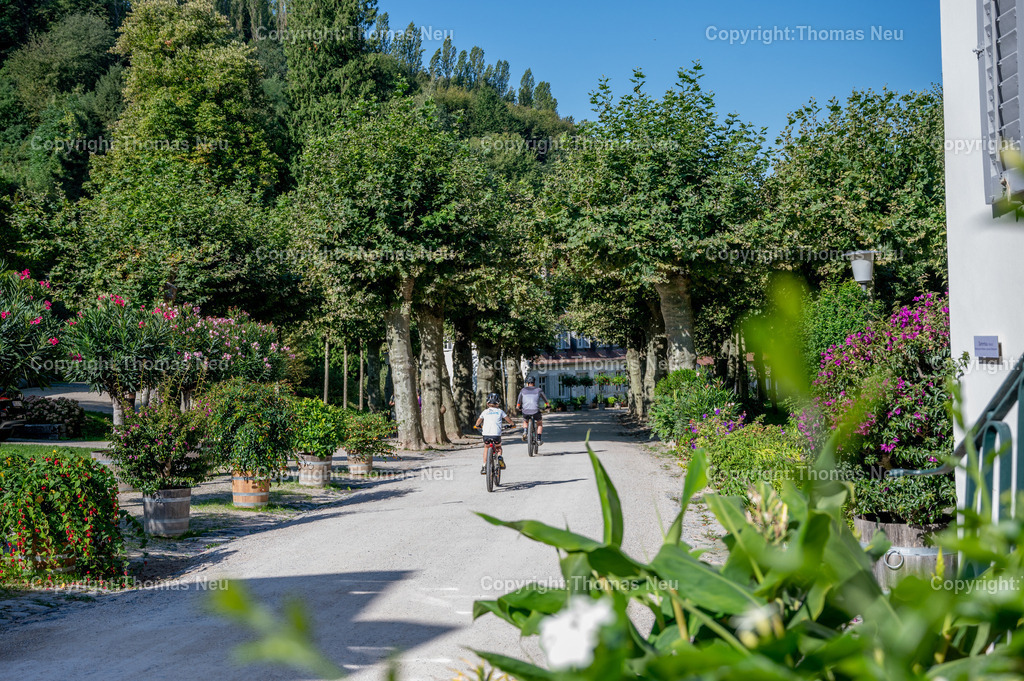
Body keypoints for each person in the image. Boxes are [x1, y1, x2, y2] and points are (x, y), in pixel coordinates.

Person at [475, 392, 514, 475]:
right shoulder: (500, 411)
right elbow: (508, 420)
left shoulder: (485, 412)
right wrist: (512, 424)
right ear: (498, 403)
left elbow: (478, 421)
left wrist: (477, 425)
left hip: (486, 435)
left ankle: (484, 466)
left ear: (487, 403)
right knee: (498, 447)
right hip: (496, 435)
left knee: (486, 447)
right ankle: (499, 457)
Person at [516, 376, 550, 445]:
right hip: (535, 410)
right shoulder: (538, 390)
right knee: (539, 423)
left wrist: (518, 407)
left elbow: (519, 401)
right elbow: (545, 399)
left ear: (527, 383)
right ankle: (539, 439)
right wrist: (548, 405)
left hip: (525, 410)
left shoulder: (523, 390)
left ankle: (525, 431)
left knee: (525, 420)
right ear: (534, 383)